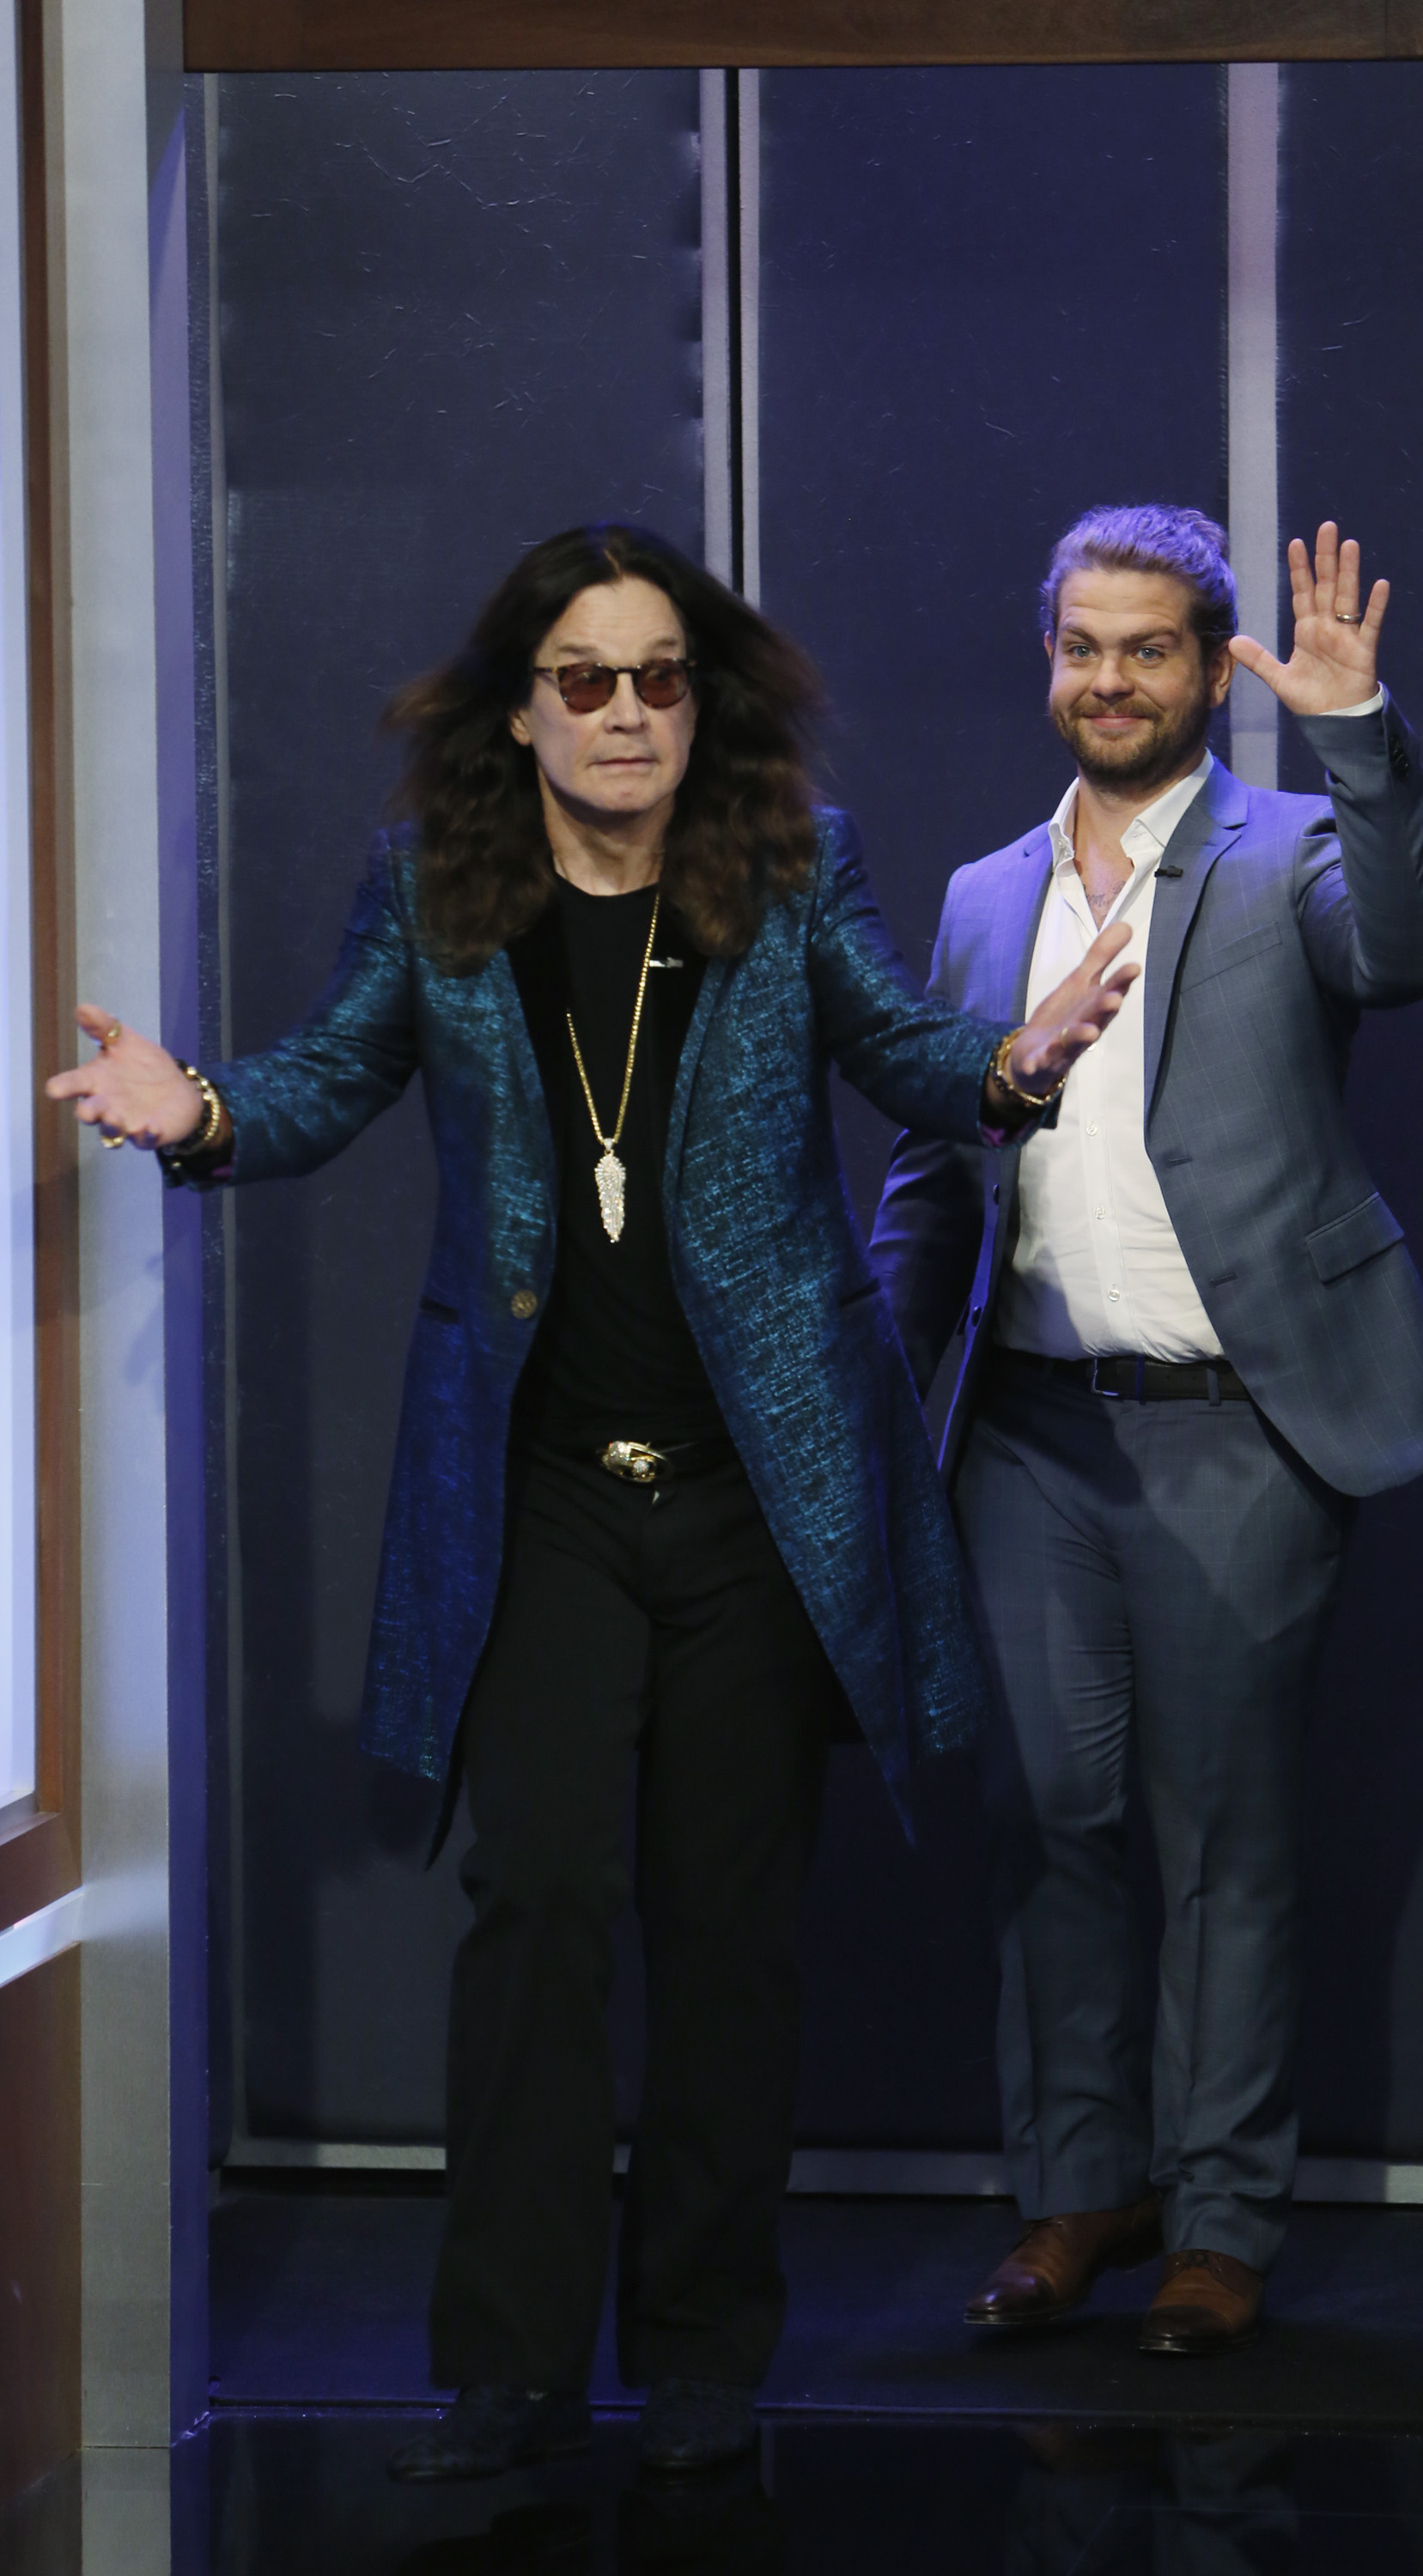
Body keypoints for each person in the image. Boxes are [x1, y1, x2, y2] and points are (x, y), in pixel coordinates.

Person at [47, 522, 1136, 2476]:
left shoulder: (794, 866)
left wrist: (1008, 1069)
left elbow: (901, 1045)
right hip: (539, 1484)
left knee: (730, 1927)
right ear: (524, 706)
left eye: (658, 677)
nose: (626, 712)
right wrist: (197, 1111)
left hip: (754, 1494)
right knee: (537, 1900)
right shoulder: (437, 890)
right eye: (585, 678)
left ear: (697, 701)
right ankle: (511, 2369)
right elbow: (321, 1078)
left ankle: (706, 2359)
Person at [869, 507, 1423, 2358]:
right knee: (1045, 1824)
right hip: (1030, 1443)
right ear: (1046, 658)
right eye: (1079, 647)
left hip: (1238, 1432)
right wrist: (891, 1405)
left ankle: (1218, 2222)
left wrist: (1358, 733)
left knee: (1224, 1844)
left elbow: (1414, 948)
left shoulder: (1291, 848)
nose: (1106, 681)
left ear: (1214, 672)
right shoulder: (984, 893)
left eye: (1145, 650)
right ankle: (1078, 2193)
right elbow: (934, 1159)